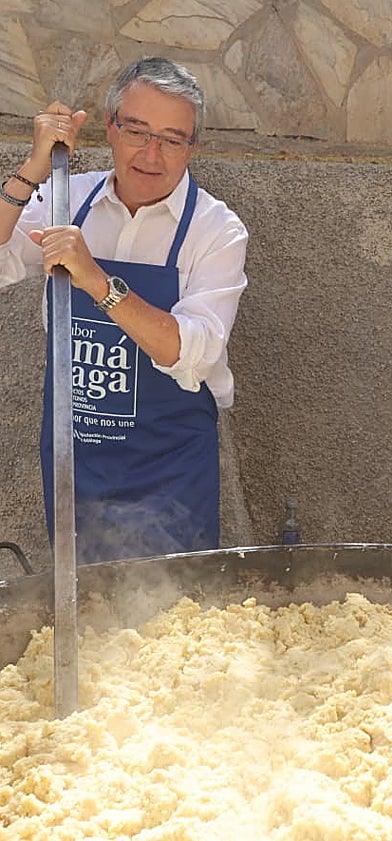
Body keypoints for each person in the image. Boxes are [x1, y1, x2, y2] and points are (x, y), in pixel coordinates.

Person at [0, 56, 249, 564]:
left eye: (172, 138)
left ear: (192, 148)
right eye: (137, 130)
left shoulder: (216, 231)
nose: (151, 153)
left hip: (171, 463)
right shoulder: (68, 199)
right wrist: (32, 170)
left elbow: (192, 351)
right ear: (109, 129)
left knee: (179, 621)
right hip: (79, 454)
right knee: (86, 611)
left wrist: (94, 280)